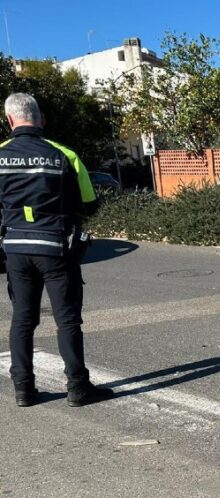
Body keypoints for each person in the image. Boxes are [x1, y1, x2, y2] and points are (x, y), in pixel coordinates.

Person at [0, 93, 113, 407]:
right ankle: (78, 388)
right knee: (67, 320)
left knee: (22, 319)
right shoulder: (64, 155)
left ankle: (23, 389)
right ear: (41, 119)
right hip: (55, 247)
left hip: (16, 250)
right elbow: (90, 203)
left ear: (9, 121)